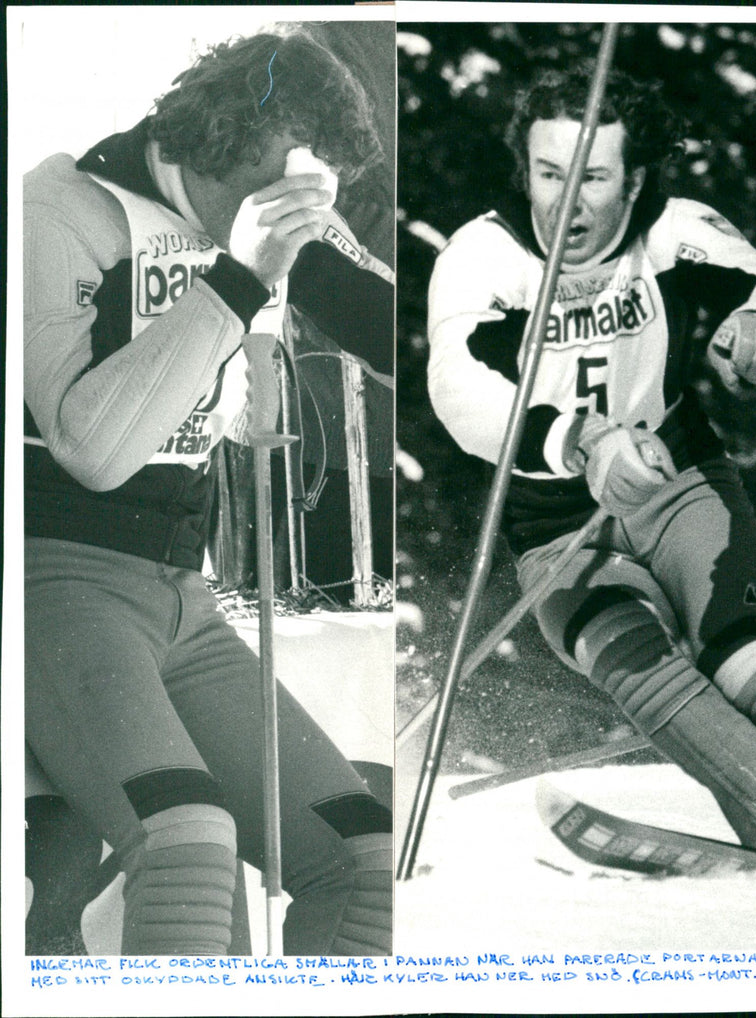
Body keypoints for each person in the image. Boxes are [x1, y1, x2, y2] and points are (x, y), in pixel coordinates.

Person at [24, 28, 394, 955]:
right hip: (54, 580)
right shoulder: (64, 206)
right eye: (299, 178)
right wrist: (239, 281)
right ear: (232, 141)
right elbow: (91, 448)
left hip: (182, 597)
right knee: (190, 843)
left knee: (361, 857)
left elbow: (393, 328)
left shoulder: (259, 212)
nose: (312, 204)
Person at [427, 62, 756, 851]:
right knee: (635, 657)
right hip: (553, 526)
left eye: (592, 178)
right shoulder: (485, 254)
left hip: (678, 486)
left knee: (750, 662)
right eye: (549, 173)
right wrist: (578, 440)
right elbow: (457, 387)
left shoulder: (673, 229)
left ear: (634, 177)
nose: (566, 201)